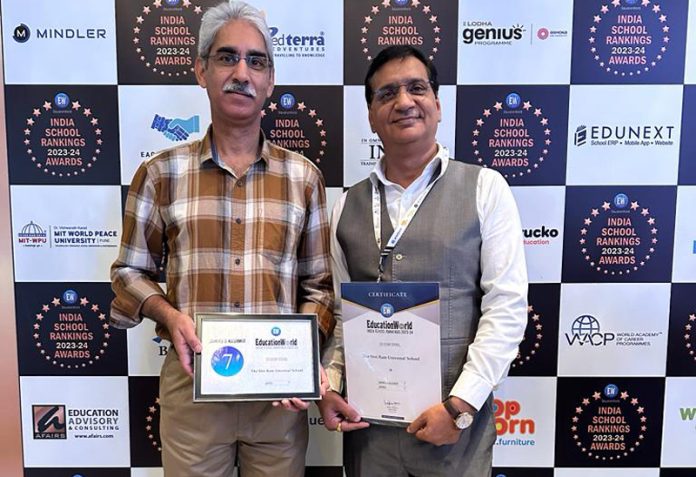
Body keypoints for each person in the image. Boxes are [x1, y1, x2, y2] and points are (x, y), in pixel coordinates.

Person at [109, 2, 334, 476]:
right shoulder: (160, 173)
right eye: (226, 57)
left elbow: (319, 289)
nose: (241, 73)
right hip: (193, 392)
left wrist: (300, 357)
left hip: (278, 400)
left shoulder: (304, 178)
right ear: (201, 71)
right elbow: (128, 273)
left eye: (257, 61)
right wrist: (170, 316)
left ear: (270, 81)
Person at [318, 45, 528, 477]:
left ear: (437, 104)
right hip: (368, 433)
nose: (404, 102)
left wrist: (461, 406)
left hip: (455, 435)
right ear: (372, 115)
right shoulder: (344, 206)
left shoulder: (486, 189)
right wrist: (331, 384)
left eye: (417, 88)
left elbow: (506, 308)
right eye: (387, 94)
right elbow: (341, 315)